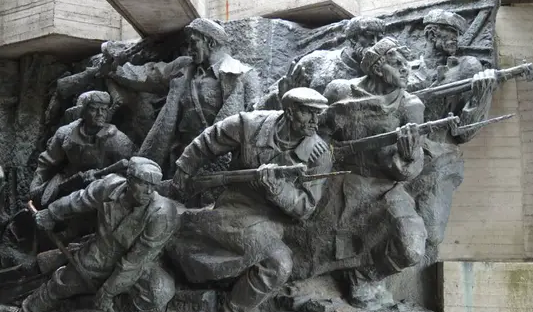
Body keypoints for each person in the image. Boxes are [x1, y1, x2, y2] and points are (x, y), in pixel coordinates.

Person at [171, 87, 332, 312]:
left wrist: (277, 189)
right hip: (231, 210)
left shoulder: (318, 153)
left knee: (278, 264)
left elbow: (306, 207)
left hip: (275, 221)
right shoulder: (251, 125)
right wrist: (184, 167)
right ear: (290, 111)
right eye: (308, 113)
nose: (315, 121)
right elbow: (209, 139)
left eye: (319, 114)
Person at [0, 157, 180, 312]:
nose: (149, 191)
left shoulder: (162, 213)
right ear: (130, 180)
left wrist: (108, 292)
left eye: (153, 186)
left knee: (160, 291)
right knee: (61, 283)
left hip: (141, 265)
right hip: (100, 252)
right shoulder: (109, 186)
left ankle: (109, 311)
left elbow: (135, 261)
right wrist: (51, 213)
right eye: (143, 184)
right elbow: (78, 200)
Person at [314, 38, 427, 308]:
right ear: (377, 68)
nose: (405, 69)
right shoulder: (339, 91)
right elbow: (317, 133)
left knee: (411, 248)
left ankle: (365, 276)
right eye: (397, 63)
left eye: (406, 63)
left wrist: (409, 154)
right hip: (339, 179)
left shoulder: (410, 106)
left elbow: (413, 166)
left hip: (384, 185)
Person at [109, 18, 260, 169]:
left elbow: (256, 117)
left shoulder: (243, 75)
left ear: (211, 43)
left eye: (193, 42)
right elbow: (149, 76)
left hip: (221, 159)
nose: (189, 49)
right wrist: (113, 69)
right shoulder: (183, 68)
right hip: (182, 158)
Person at [406, 9, 498, 248]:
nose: (456, 39)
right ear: (430, 33)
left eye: (458, 34)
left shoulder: (466, 69)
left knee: (432, 234)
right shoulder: (404, 69)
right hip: (401, 158)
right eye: (451, 32)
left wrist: (481, 95)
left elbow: (465, 132)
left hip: (439, 161)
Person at [30, 91, 136, 207]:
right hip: (65, 185)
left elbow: (130, 172)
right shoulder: (65, 134)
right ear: (83, 112)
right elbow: (46, 164)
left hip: (98, 194)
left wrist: (102, 177)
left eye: (104, 109)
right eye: (94, 109)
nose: (100, 114)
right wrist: (35, 188)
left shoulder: (117, 140)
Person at [257, 16, 385, 109]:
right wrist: (283, 95)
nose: (374, 42)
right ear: (353, 38)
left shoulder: (382, 74)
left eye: (379, 38)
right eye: (369, 36)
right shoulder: (317, 60)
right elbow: (261, 105)